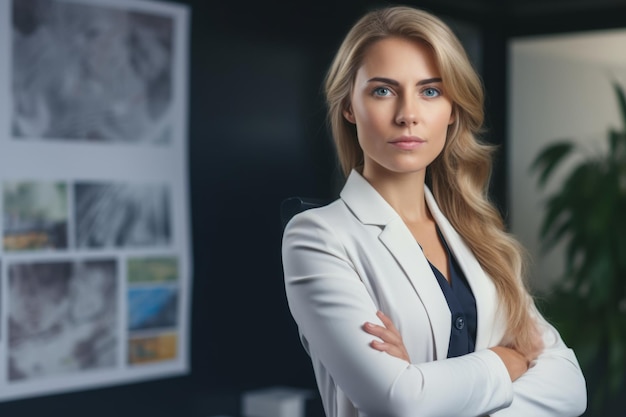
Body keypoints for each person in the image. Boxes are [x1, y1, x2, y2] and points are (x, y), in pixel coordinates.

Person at [281, 5, 587, 417]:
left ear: (452, 110)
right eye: (383, 90)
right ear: (349, 106)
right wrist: (508, 360)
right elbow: (399, 402)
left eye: (430, 91)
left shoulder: (476, 235)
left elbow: (570, 389)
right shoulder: (317, 236)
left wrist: (426, 382)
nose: (408, 115)